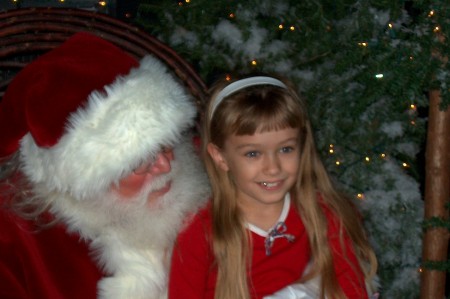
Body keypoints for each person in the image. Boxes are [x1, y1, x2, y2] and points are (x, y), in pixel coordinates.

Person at [0, 32, 210, 299]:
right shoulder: (15, 235)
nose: (166, 165)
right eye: (139, 163)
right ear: (87, 179)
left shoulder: (209, 170)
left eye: (166, 144)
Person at [168, 75, 378, 299]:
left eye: (286, 149)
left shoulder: (322, 211)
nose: (273, 168)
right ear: (221, 158)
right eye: (253, 153)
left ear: (301, 146)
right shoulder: (200, 230)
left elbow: (350, 287)